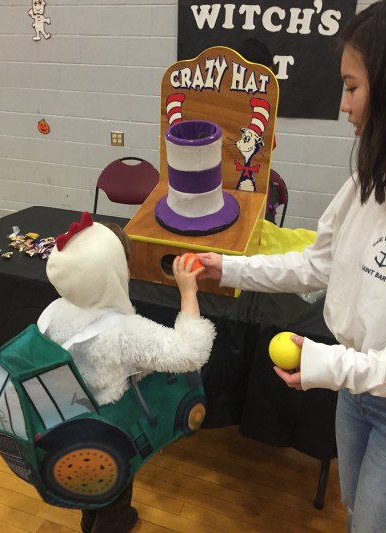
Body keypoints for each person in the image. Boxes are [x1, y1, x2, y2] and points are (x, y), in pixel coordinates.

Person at [199, 2, 386, 531]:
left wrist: (326, 365)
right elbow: (314, 264)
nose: (344, 104)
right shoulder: (363, 187)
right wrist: (227, 268)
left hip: (366, 388)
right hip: (355, 397)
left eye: (352, 87)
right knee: (359, 515)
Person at [41, 212, 216, 533]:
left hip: (68, 419)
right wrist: (188, 292)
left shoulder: (53, 311)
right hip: (109, 423)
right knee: (115, 487)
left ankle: (89, 517)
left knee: (91, 481)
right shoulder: (124, 332)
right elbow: (191, 353)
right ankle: (110, 523)